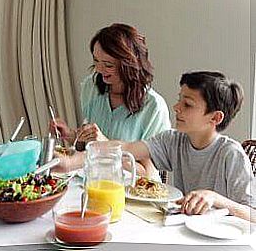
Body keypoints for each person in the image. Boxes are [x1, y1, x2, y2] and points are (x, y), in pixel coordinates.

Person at [122, 71, 255, 221]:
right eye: (179, 100)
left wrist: (215, 198)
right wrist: (95, 150)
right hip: (185, 231)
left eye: (188, 104)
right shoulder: (173, 140)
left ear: (215, 117)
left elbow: (253, 214)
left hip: (222, 240)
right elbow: (127, 149)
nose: (176, 107)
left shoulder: (231, 154)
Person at [51, 23, 171, 177]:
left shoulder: (154, 107)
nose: (99, 70)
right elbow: (86, 148)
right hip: (92, 181)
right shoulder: (91, 88)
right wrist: (70, 135)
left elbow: (148, 175)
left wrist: (106, 146)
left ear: (129, 64)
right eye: (96, 61)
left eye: (108, 65)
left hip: (129, 192)